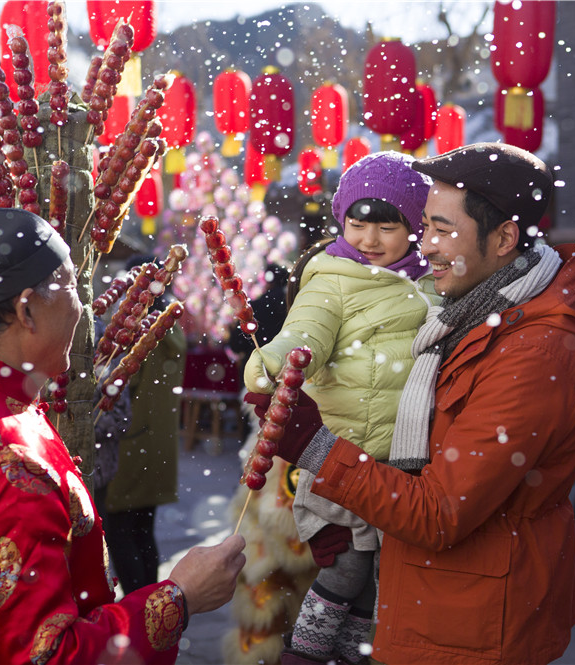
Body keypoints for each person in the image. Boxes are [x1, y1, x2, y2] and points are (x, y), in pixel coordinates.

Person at [246, 143, 575, 664]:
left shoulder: (532, 352)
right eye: (424, 228)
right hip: (428, 601)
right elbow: (329, 352)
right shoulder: (467, 308)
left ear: (504, 237)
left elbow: (439, 511)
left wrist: (318, 448)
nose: (426, 246)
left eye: (440, 229)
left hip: (471, 623)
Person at [0, 209, 245, 664]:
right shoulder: (6, 471)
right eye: (72, 287)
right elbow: (51, 657)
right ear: (26, 309)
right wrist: (181, 597)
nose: (83, 307)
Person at [243, 150, 438, 665]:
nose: (369, 241)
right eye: (358, 224)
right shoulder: (332, 278)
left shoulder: (434, 281)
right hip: (341, 456)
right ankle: (303, 655)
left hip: (404, 464)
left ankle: (352, 657)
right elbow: (307, 331)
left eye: (387, 227)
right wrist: (276, 365)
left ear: (414, 225)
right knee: (347, 571)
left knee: (378, 582)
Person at [103, 256, 188, 594]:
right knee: (143, 529)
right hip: (158, 446)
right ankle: (151, 606)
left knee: (120, 530)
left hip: (129, 444)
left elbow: (117, 384)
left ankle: (139, 609)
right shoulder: (173, 327)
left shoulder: (141, 332)